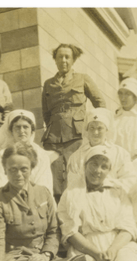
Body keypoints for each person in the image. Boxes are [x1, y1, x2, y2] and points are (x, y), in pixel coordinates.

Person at [42, 43, 106, 201]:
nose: (63, 60)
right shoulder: (48, 84)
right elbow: (46, 113)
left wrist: (96, 127)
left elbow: (101, 104)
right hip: (54, 139)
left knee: (77, 176)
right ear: (55, 60)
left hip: (77, 136)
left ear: (73, 60)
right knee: (55, 178)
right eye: (60, 57)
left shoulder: (83, 79)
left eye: (67, 57)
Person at [67, 108, 137, 193]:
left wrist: (107, 186)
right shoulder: (76, 157)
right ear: (87, 130)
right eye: (92, 128)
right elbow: (72, 185)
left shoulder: (120, 154)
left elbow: (129, 180)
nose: (95, 132)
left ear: (107, 130)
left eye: (100, 128)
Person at [0, 109, 53, 194]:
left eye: (25, 127)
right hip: (8, 201)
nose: (21, 131)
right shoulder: (1, 155)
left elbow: (44, 185)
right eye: (17, 127)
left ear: (32, 131)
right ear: (11, 131)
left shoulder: (41, 155)